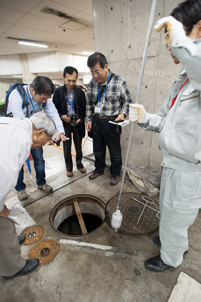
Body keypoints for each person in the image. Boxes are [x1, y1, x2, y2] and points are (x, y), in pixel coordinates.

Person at [129, 0, 201, 272]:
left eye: (177, 36)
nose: (170, 45)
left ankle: (171, 258)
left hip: (190, 170)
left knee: (177, 215)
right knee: (170, 213)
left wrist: (183, 46)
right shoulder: (183, 78)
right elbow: (166, 120)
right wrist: (145, 117)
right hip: (171, 163)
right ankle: (172, 240)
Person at [0, 112, 56, 279]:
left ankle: (7, 243)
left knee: (5, 225)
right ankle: (12, 268)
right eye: (44, 142)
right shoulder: (20, 143)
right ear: (39, 132)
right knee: (5, 225)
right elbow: (3, 179)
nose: (41, 146)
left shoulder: (12, 123)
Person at [7, 76, 66, 201]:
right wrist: (41, 137)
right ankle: (20, 189)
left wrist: (60, 131)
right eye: (43, 98)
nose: (45, 101)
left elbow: (53, 113)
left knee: (39, 158)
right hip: (19, 132)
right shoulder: (16, 96)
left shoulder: (44, 96)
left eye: (47, 98)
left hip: (35, 132)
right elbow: (21, 122)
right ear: (33, 90)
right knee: (18, 163)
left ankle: (41, 182)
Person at [86, 52, 132, 185]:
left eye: (97, 71)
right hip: (96, 121)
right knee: (97, 149)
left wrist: (122, 114)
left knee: (114, 151)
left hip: (112, 122)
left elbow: (128, 101)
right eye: (91, 72)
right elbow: (89, 103)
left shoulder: (119, 81)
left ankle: (115, 173)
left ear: (105, 66)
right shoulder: (92, 83)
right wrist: (88, 119)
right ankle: (99, 169)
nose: (95, 76)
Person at [53, 66, 86, 177]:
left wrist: (80, 119)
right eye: (69, 80)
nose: (71, 83)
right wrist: (62, 116)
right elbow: (53, 109)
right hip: (65, 124)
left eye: (74, 80)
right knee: (66, 148)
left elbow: (84, 109)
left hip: (77, 123)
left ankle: (79, 164)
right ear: (63, 78)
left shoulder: (80, 92)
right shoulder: (58, 92)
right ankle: (69, 168)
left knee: (78, 147)